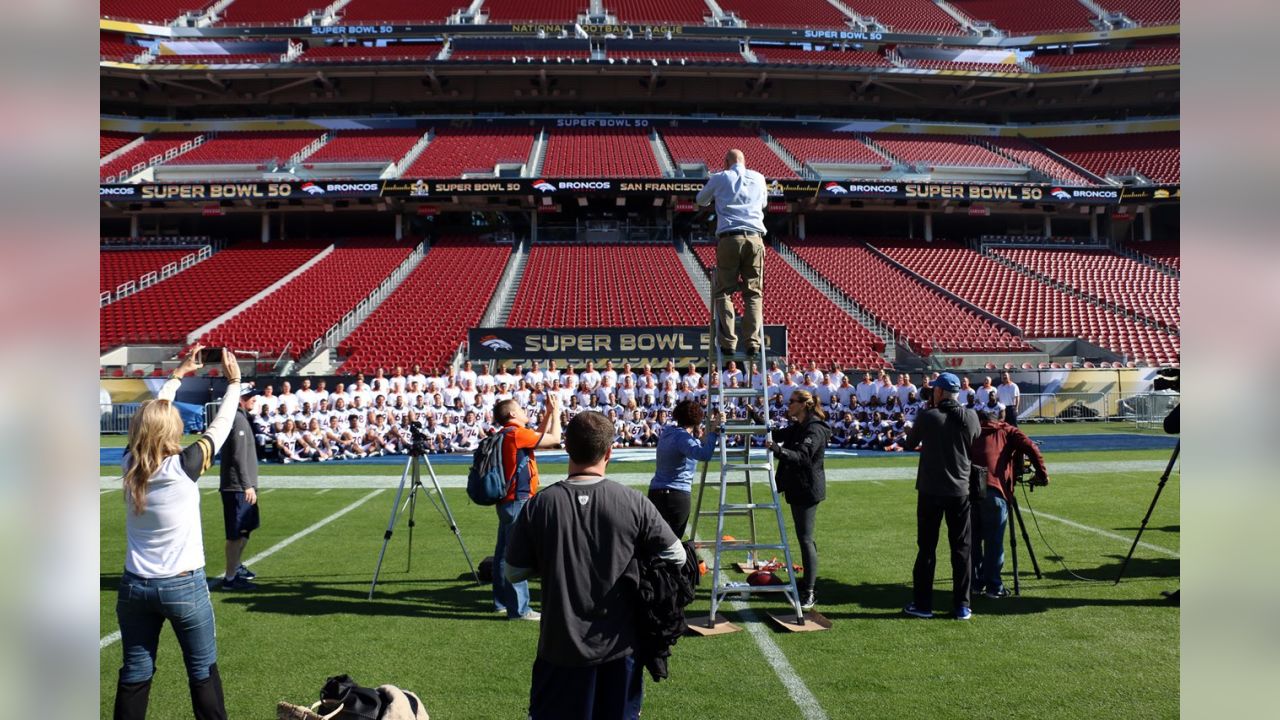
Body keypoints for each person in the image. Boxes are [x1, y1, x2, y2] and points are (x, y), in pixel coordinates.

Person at [506, 411, 686, 720]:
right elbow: (676, 556)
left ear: (567, 447)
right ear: (609, 452)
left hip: (559, 648)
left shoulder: (541, 504)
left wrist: (552, 560)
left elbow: (513, 572)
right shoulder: (633, 501)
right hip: (620, 649)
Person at [113, 345, 241, 720]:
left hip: (135, 586)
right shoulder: (184, 466)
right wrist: (234, 382)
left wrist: (178, 374)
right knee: (202, 672)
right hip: (182, 585)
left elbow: (150, 417)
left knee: (135, 675)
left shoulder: (129, 462)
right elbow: (222, 425)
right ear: (172, 429)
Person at [903, 372, 981, 621]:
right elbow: (974, 440)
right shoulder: (970, 416)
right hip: (960, 490)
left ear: (939, 392)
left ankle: (923, 604)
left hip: (931, 490)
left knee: (926, 549)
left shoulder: (928, 416)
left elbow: (909, 442)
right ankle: (962, 605)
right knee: (961, 550)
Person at [492, 394, 562, 620]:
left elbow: (537, 436)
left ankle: (501, 601)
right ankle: (520, 610)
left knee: (503, 553)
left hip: (506, 501)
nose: (525, 411)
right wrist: (558, 412)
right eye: (520, 409)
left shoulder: (507, 434)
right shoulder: (517, 434)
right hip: (518, 500)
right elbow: (553, 439)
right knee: (516, 554)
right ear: (512, 414)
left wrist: (549, 413)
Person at [969, 407, 1049, 599]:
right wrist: (1042, 475)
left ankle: (975, 584)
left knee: (972, 541)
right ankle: (994, 587)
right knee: (994, 541)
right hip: (995, 490)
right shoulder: (1006, 430)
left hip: (969, 491)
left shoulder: (971, 431)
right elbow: (1032, 448)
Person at [761, 389, 830, 611]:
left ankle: (809, 590)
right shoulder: (800, 426)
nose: (788, 405)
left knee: (806, 539)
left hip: (806, 489)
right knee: (804, 537)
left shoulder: (815, 428)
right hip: (797, 487)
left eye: (792, 402)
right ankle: (807, 583)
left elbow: (802, 456)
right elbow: (777, 434)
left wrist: (777, 450)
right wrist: (755, 416)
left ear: (804, 404)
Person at [696, 148, 767, 357]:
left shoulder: (720, 177)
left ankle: (729, 342)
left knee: (724, 291)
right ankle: (753, 341)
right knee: (753, 293)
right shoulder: (759, 177)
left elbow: (701, 200)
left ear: (726, 162)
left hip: (729, 238)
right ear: (744, 161)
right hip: (755, 238)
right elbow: (763, 204)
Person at [648, 400, 722, 537]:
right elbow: (704, 454)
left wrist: (707, 431)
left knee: (654, 542)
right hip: (676, 494)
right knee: (673, 544)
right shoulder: (683, 438)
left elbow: (695, 444)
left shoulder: (668, 431)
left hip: (655, 492)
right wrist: (714, 432)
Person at [220, 384, 261, 591]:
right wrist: (247, 485)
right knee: (236, 534)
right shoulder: (237, 420)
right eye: (250, 396)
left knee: (246, 530)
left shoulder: (242, 418)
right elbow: (237, 456)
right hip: (238, 487)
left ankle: (235, 567)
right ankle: (229, 578)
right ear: (240, 399)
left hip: (244, 486)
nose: (254, 398)